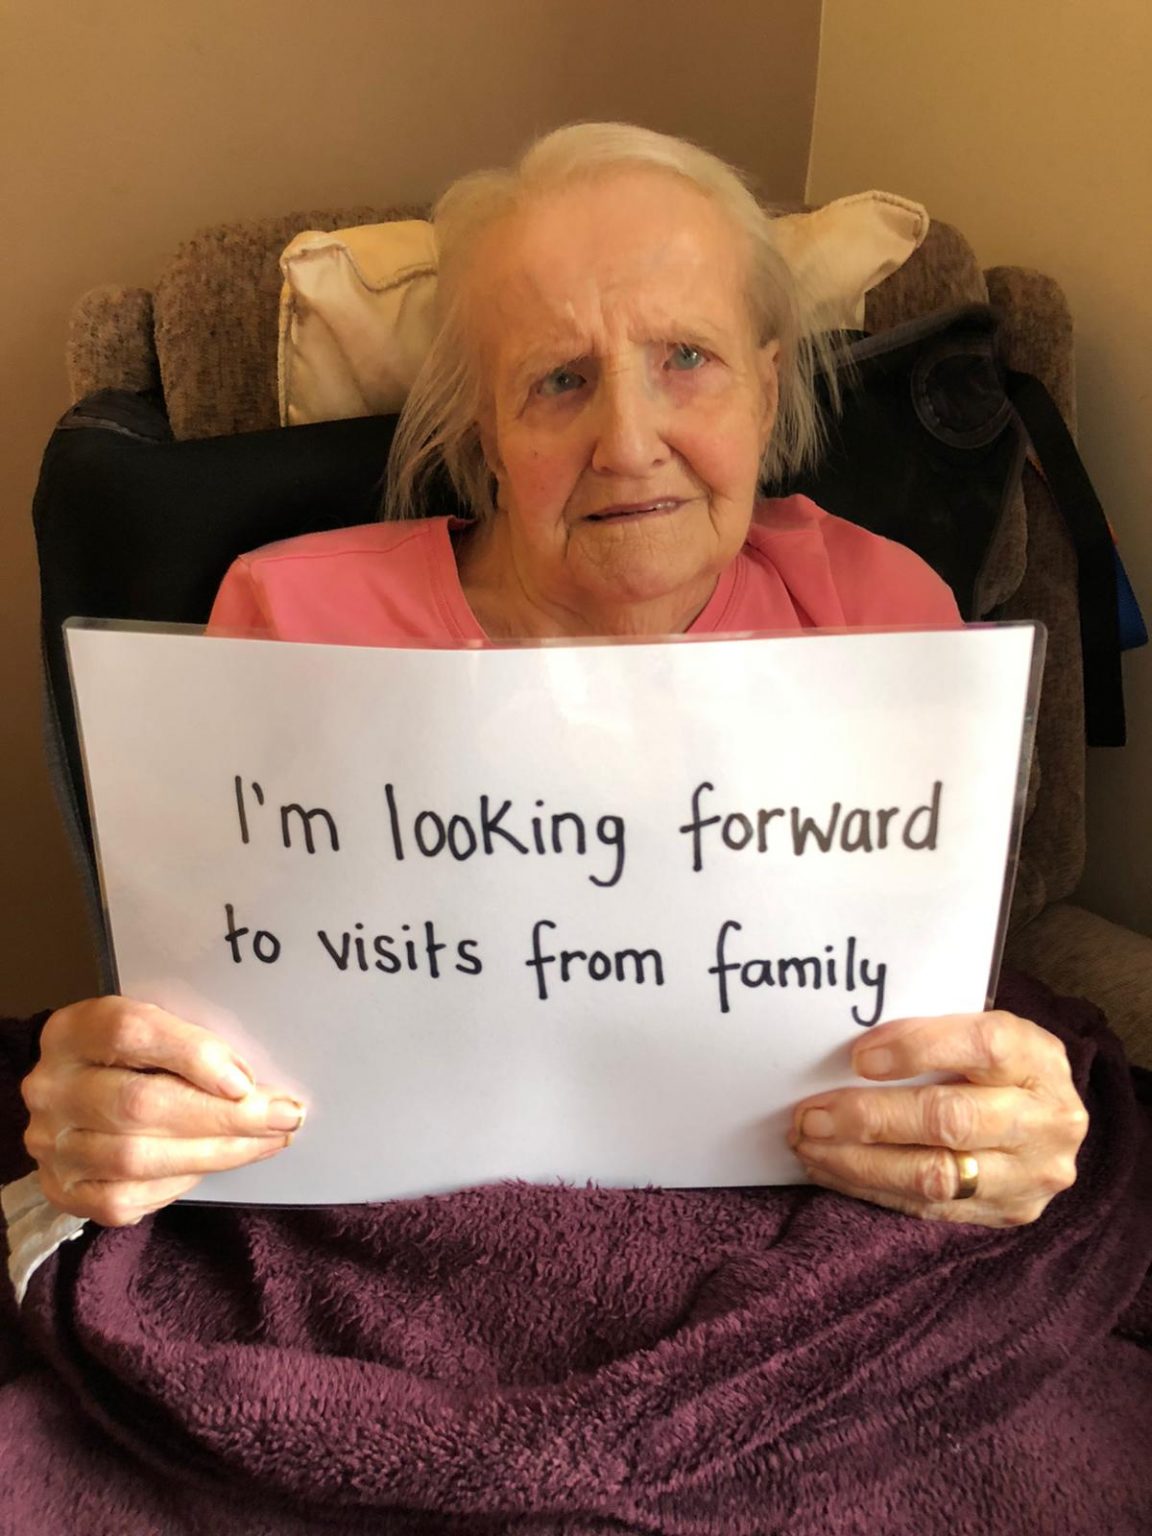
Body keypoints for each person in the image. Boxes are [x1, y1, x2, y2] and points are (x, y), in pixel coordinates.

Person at [4, 125, 1147, 1534]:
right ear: (483, 431)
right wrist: (124, 1105)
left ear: (768, 384)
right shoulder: (292, 617)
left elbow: (949, 1025)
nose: (628, 440)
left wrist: (1006, 1127)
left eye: (688, 359)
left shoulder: (880, 607)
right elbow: (196, 1037)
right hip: (377, 1279)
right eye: (557, 380)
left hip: (793, 1275)